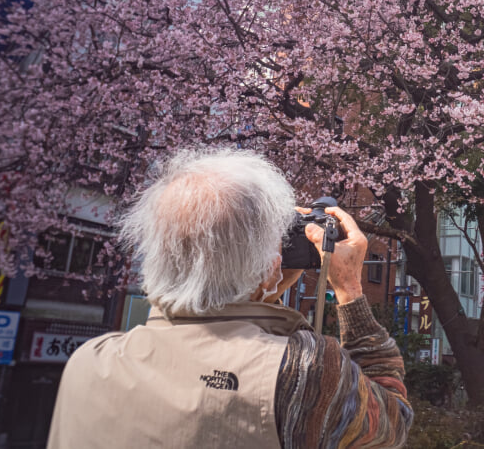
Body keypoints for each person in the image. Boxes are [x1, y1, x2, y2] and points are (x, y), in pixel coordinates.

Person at [47, 148, 412, 448]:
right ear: (271, 263)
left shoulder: (89, 361)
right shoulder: (304, 371)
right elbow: (391, 423)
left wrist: (263, 288)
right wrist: (349, 289)